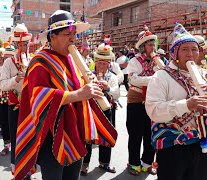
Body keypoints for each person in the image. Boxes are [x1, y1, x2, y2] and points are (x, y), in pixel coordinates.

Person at [14, 10, 117, 180]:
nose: (72, 39)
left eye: (74, 34)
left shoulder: (72, 59)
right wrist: (78, 94)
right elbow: (38, 96)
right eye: (67, 34)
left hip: (74, 130)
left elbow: (80, 88)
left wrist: (91, 85)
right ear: (52, 36)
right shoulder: (40, 61)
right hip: (51, 135)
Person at [145, 23, 207, 180]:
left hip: (202, 144)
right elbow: (153, 110)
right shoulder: (161, 76)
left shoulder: (204, 74)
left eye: (194, 49)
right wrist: (187, 105)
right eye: (184, 49)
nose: (190, 53)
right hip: (173, 147)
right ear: (175, 53)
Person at [80, 43, 119, 176]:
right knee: (88, 136)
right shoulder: (88, 75)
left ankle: (104, 162)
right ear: (95, 63)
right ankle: (84, 164)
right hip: (91, 109)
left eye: (105, 64)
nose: (102, 66)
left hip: (108, 110)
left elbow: (117, 94)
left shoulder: (112, 77)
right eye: (99, 63)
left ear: (109, 64)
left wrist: (108, 88)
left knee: (106, 135)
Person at [0, 23, 32, 176]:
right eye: (23, 43)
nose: (26, 46)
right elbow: (2, 85)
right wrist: (15, 80)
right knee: (17, 138)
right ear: (16, 44)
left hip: (31, 106)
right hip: (15, 106)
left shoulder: (32, 59)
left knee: (31, 138)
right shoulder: (8, 62)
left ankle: (29, 170)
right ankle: (17, 171)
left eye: (27, 43)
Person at [126, 25, 158, 175]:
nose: (153, 47)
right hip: (136, 101)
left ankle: (147, 163)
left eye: (153, 44)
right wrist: (153, 79)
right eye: (150, 44)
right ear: (143, 46)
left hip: (152, 101)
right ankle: (134, 164)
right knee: (135, 134)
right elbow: (134, 79)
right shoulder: (134, 61)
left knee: (150, 134)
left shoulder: (157, 61)